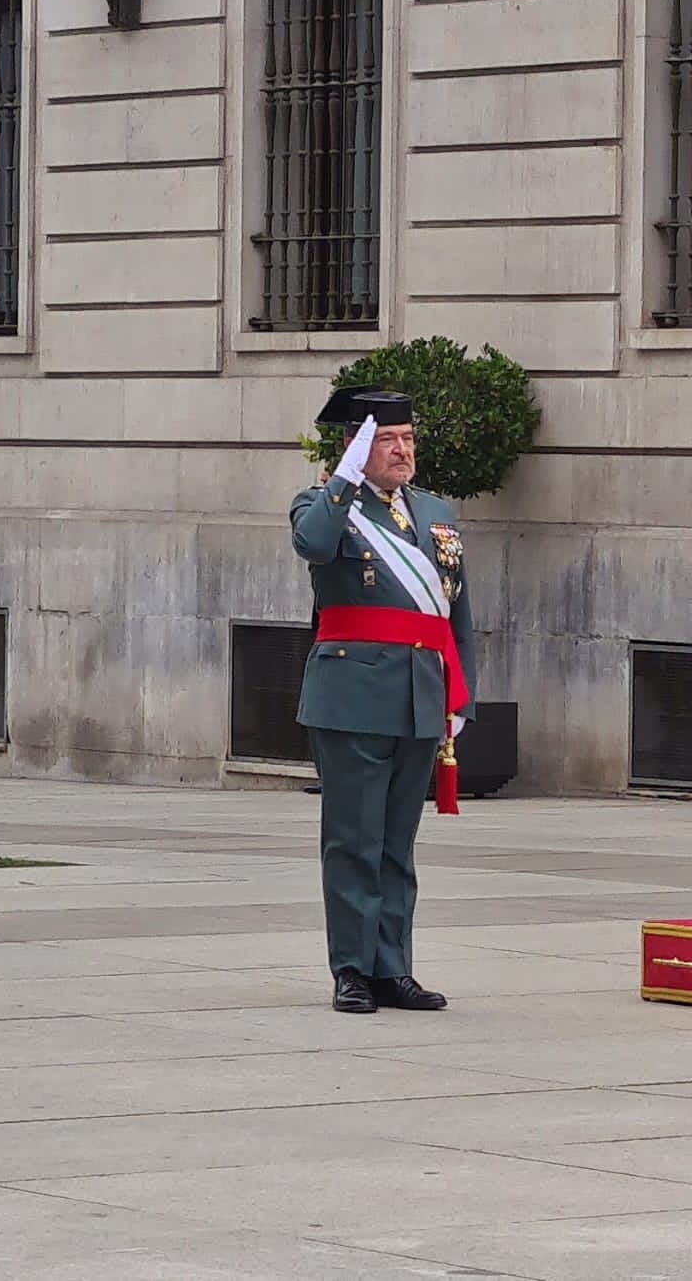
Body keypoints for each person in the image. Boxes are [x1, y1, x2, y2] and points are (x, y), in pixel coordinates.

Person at [290, 386, 474, 1014]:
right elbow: (315, 545)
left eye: (408, 438)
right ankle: (352, 970)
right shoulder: (323, 504)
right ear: (356, 448)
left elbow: (456, 613)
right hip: (352, 694)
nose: (402, 450)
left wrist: (461, 694)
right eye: (387, 440)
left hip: (420, 695)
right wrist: (343, 479)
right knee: (354, 841)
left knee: (398, 843)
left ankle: (392, 968)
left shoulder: (436, 511)